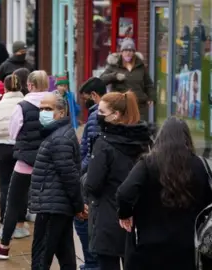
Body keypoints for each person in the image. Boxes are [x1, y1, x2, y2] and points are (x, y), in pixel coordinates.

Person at [116, 117, 212, 270]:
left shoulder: (147, 164)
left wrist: (125, 214)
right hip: (187, 249)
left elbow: (124, 192)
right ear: (187, 139)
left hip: (149, 248)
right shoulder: (200, 166)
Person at [0, 70, 49, 259]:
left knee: (12, 200)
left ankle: (4, 245)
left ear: (31, 85)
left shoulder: (23, 106)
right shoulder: (55, 102)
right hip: (49, 160)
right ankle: (46, 248)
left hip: (25, 161)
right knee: (48, 203)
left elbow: (13, 131)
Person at [85, 91, 152, 270]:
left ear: (115, 115)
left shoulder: (104, 144)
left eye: (101, 112)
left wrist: (84, 178)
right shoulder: (143, 142)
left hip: (107, 218)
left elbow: (93, 183)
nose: (97, 116)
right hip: (137, 219)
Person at [28, 92, 84, 269]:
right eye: (41, 109)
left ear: (61, 112)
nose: (43, 113)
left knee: (41, 256)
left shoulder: (59, 138)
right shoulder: (57, 134)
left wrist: (79, 205)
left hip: (52, 207)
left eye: (48, 109)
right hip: (58, 205)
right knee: (65, 253)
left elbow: (69, 175)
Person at [0, 74, 24, 237]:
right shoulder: (25, 104)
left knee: (4, 185)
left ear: (5, 88)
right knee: (22, 186)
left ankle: (5, 223)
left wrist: (0, 136)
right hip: (21, 148)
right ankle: (20, 225)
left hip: (2, 148)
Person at [76, 77, 107, 270]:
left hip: (89, 178)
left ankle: (91, 264)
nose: (84, 101)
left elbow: (92, 153)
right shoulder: (102, 114)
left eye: (86, 97)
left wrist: (79, 172)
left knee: (83, 220)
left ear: (94, 95)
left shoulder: (96, 117)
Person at [100, 38, 155, 121]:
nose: (128, 53)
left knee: (139, 130)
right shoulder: (114, 65)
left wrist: (151, 97)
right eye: (125, 50)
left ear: (134, 52)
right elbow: (102, 80)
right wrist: (114, 76)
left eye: (131, 50)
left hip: (139, 106)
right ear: (121, 52)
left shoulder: (140, 66)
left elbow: (148, 84)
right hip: (121, 106)